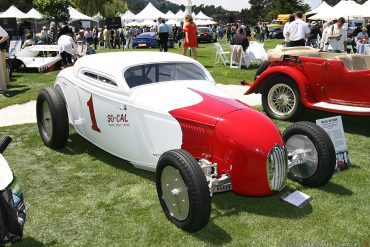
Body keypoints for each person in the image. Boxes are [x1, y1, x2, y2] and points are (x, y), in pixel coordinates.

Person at [0, 24, 10, 93]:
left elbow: (6, 36)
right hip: (2, 50)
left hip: (1, 50)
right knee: (3, 67)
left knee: (1, 69)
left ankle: (2, 87)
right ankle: (6, 83)